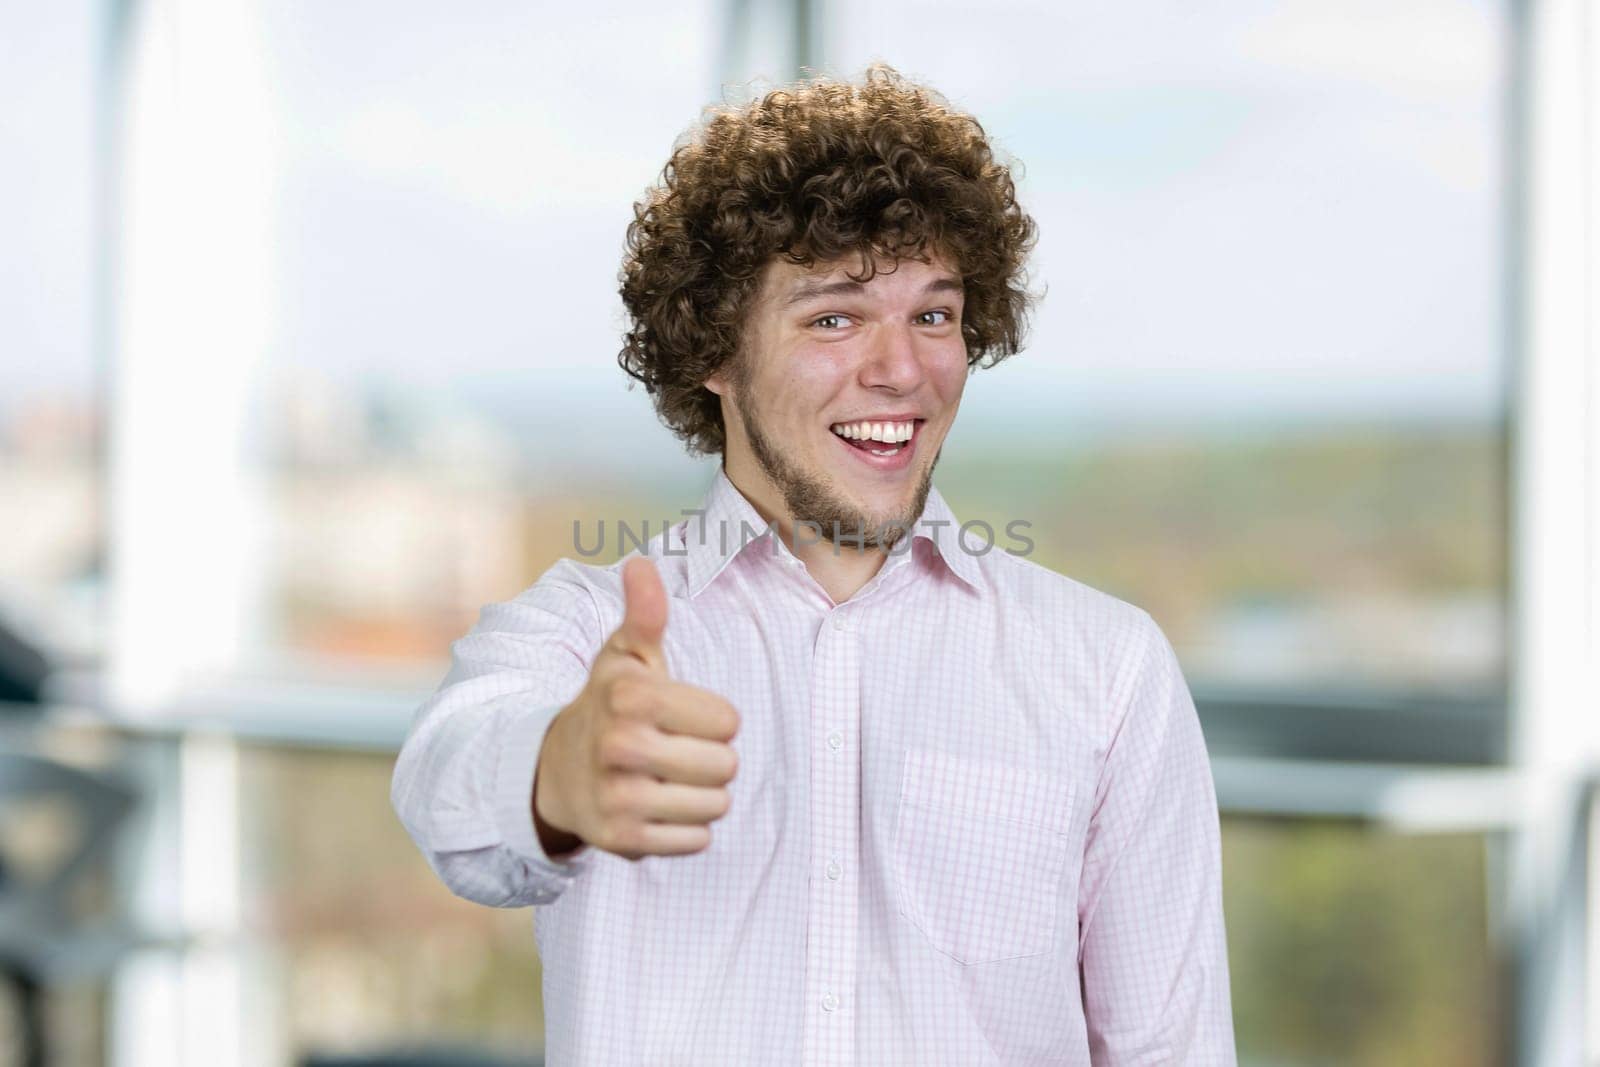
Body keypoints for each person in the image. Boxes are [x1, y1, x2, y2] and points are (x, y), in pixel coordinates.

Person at [391, 63, 1237, 1065]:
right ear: (714, 351)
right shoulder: (584, 635)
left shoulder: (1106, 670)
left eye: (932, 314)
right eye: (833, 317)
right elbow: (451, 783)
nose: (902, 367)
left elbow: (1168, 1049)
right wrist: (558, 776)